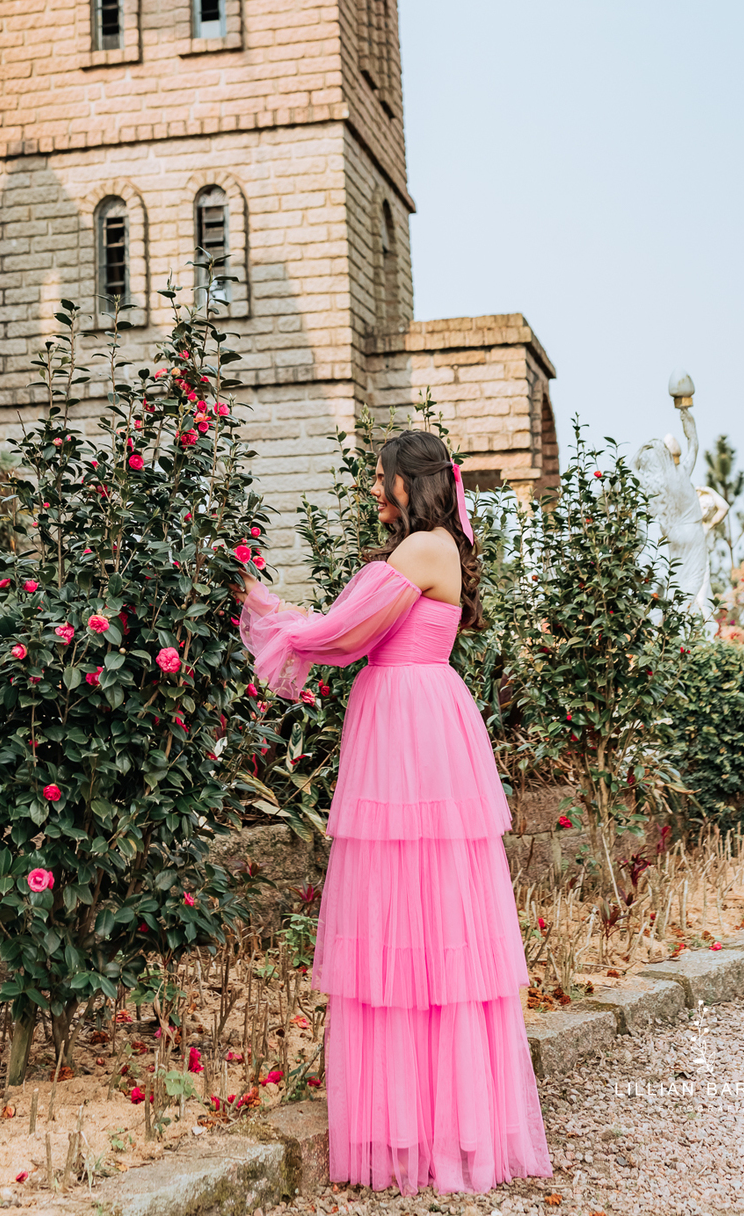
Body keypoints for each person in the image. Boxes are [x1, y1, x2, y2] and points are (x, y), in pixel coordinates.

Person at [236, 430, 553, 1196]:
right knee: (422, 912)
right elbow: (346, 628)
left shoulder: (420, 551)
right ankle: (435, 1119)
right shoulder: (435, 548)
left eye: (382, 479)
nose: (375, 490)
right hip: (415, 720)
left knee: (412, 913)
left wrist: (257, 603)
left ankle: (426, 1131)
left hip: (411, 729)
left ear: (412, 483)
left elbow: (337, 635)